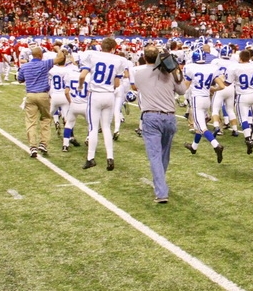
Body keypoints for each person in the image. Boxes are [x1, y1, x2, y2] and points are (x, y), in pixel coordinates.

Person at [129, 44, 188, 203]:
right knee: (164, 154)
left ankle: (161, 191)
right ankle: (160, 183)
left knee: (155, 155)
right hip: (169, 116)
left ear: (144, 56)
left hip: (151, 116)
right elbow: (182, 91)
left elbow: (138, 86)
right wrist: (175, 70)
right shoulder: (168, 73)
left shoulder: (139, 73)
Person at [78, 38, 127, 171]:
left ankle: (90, 158)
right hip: (109, 95)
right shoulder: (119, 60)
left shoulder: (92, 55)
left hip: (95, 94)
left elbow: (82, 76)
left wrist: (80, 86)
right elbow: (117, 83)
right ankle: (110, 157)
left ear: (101, 46)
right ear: (113, 48)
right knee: (106, 127)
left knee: (93, 128)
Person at [17, 46, 67, 158]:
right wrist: (58, 49)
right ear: (41, 55)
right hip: (43, 94)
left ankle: (33, 146)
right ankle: (43, 143)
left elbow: (20, 79)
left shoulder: (25, 66)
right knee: (45, 119)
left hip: (30, 95)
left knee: (31, 121)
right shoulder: (44, 64)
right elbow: (60, 58)